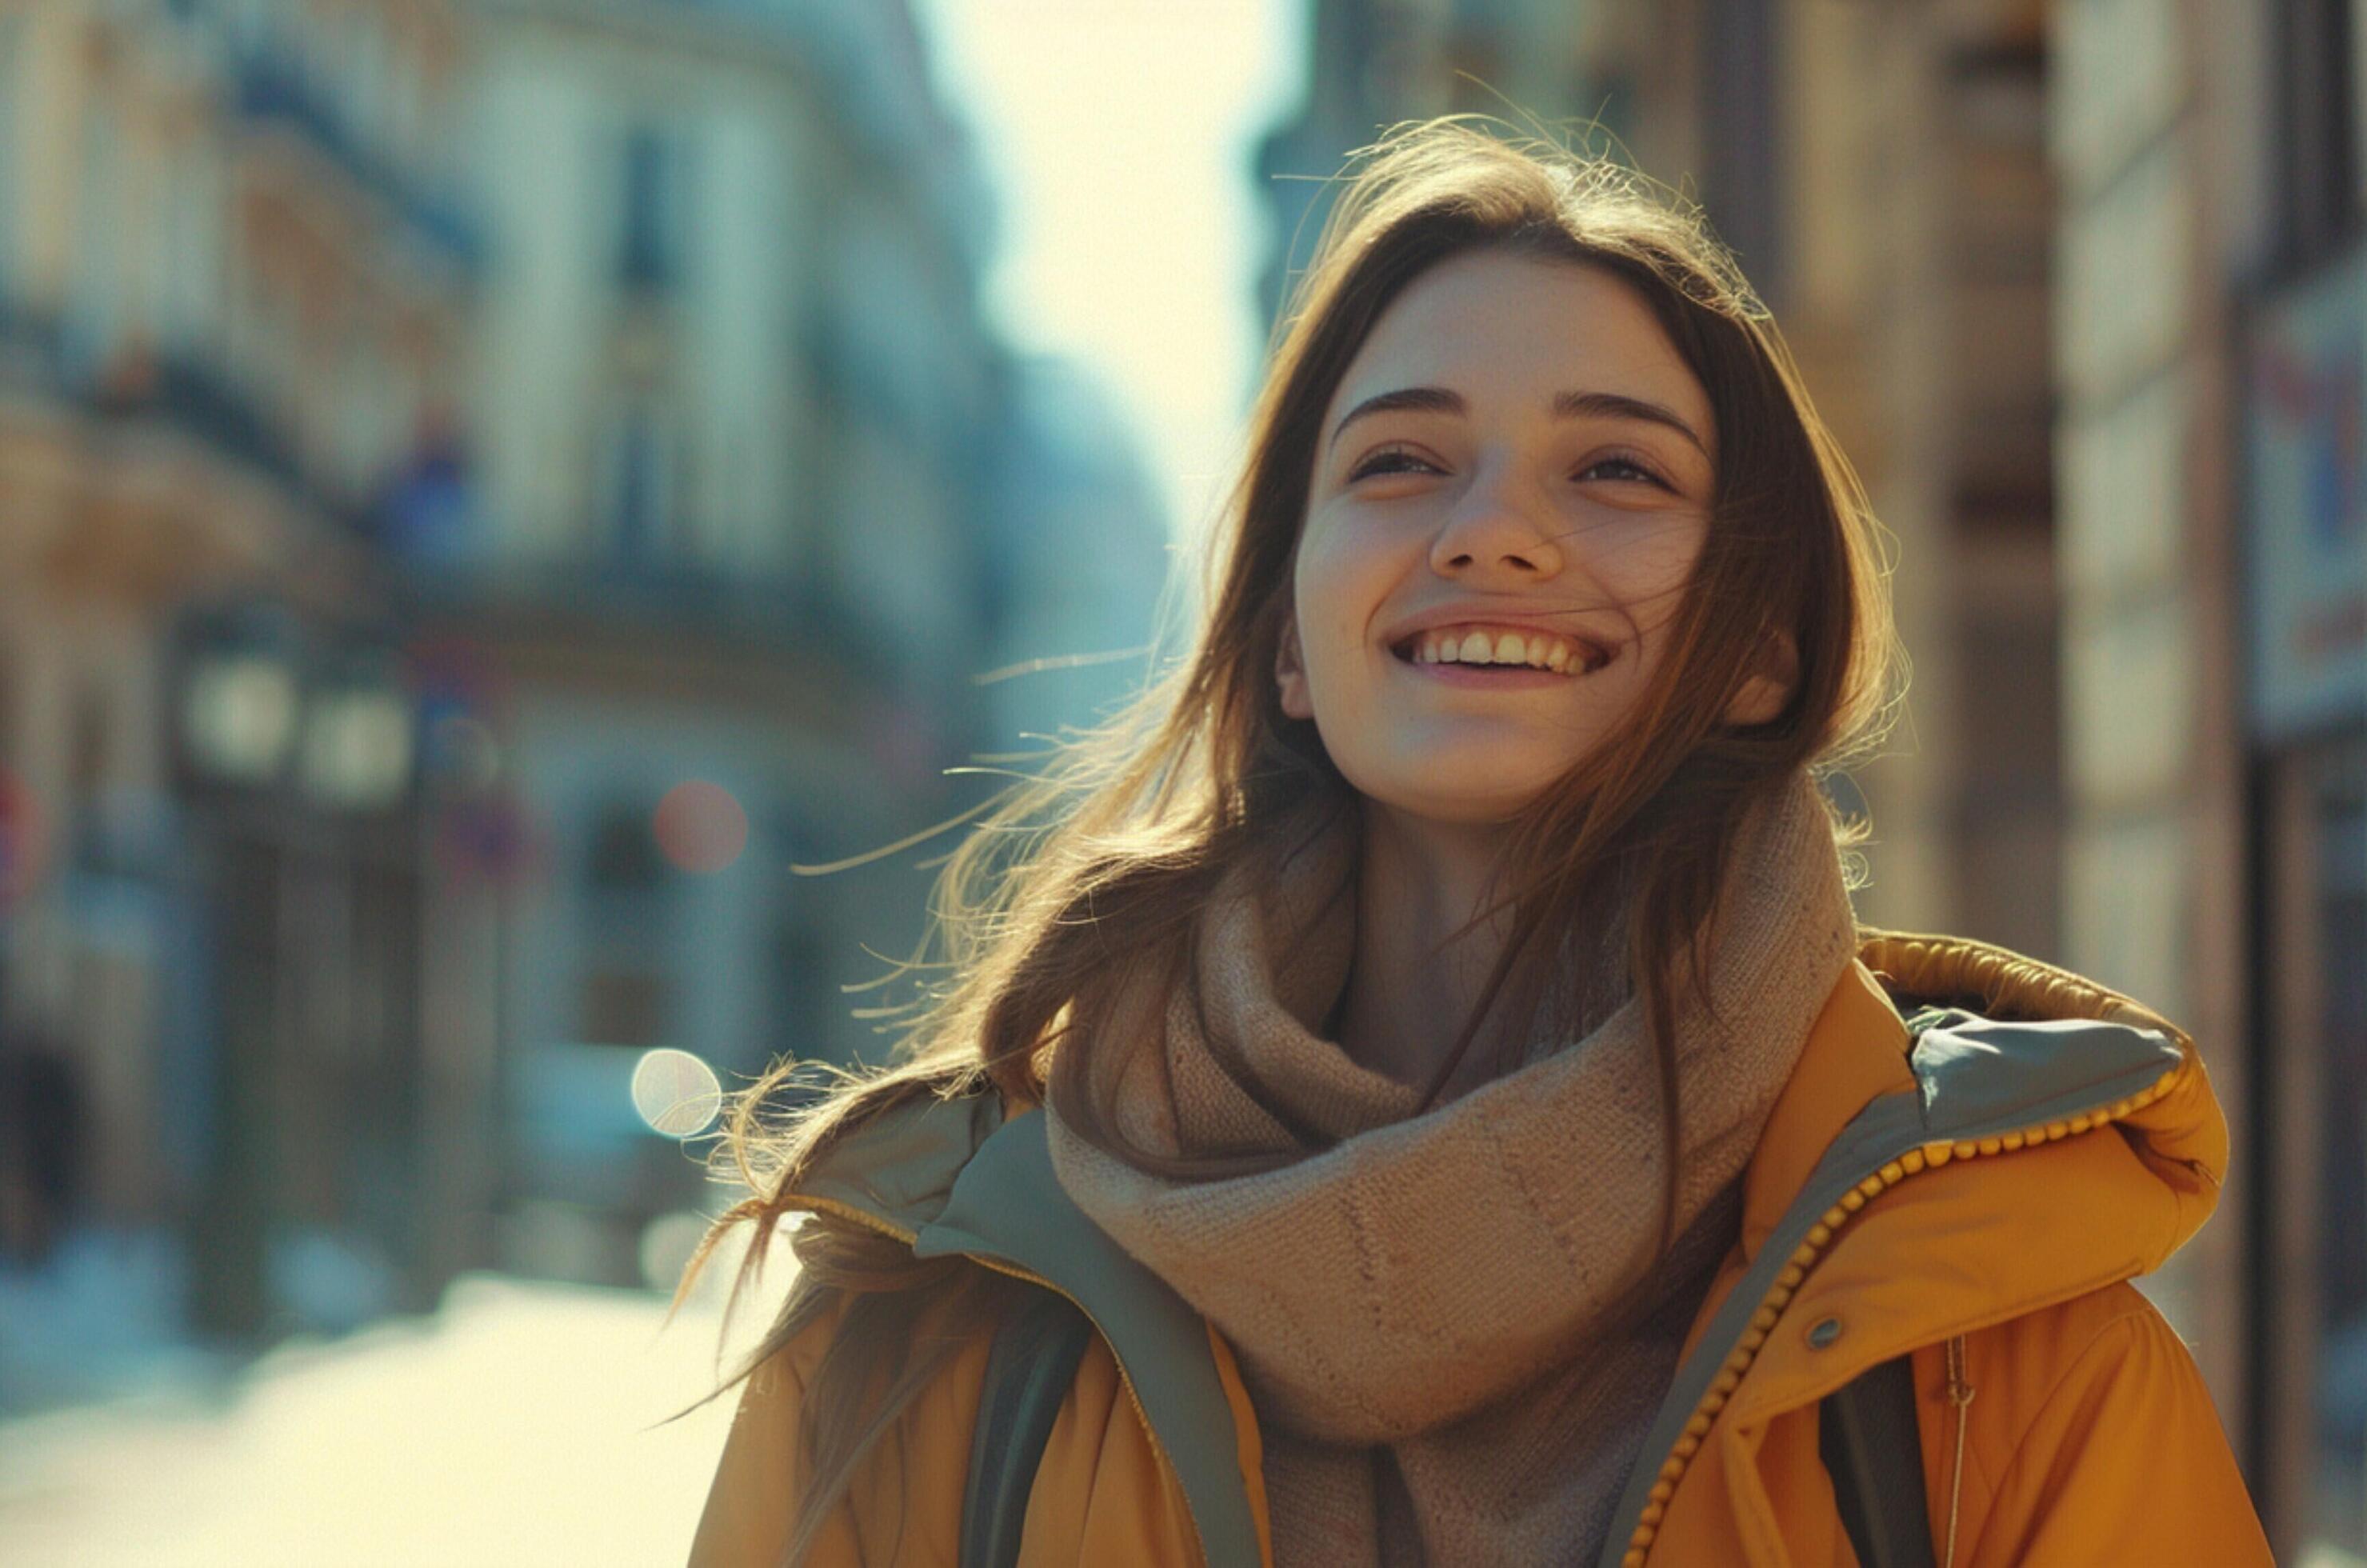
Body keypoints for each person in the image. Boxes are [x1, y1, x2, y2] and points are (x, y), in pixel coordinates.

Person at [687, 120, 2271, 1566]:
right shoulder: (925, 1315)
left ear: (1758, 647)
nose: (1488, 526)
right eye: (1396, 461)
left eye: (1614, 470)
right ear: (1287, 642)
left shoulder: (1999, 1367)